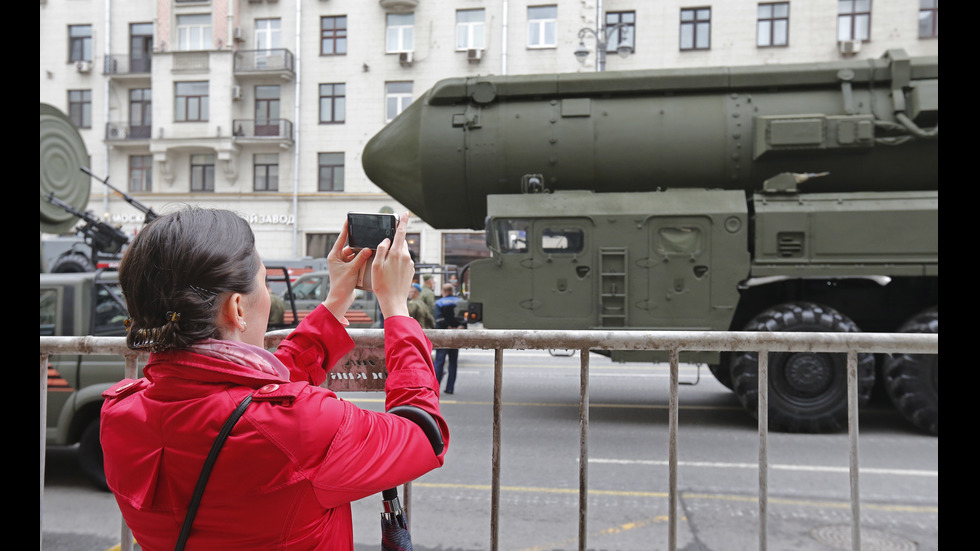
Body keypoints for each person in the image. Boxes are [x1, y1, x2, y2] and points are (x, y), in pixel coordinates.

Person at [99, 208, 448, 550]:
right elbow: (423, 434)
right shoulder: (300, 426)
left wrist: (335, 301)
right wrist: (397, 309)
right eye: (265, 283)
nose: (268, 296)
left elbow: (250, 398)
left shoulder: (120, 413)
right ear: (237, 308)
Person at [433, 283, 466, 395]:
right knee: (453, 362)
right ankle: (450, 388)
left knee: (439, 362)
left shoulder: (439, 303)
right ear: (452, 291)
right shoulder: (460, 302)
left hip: (442, 336)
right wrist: (460, 326)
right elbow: (464, 317)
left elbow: (439, 319)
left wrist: (447, 326)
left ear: (444, 291)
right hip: (455, 336)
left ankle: (435, 388)